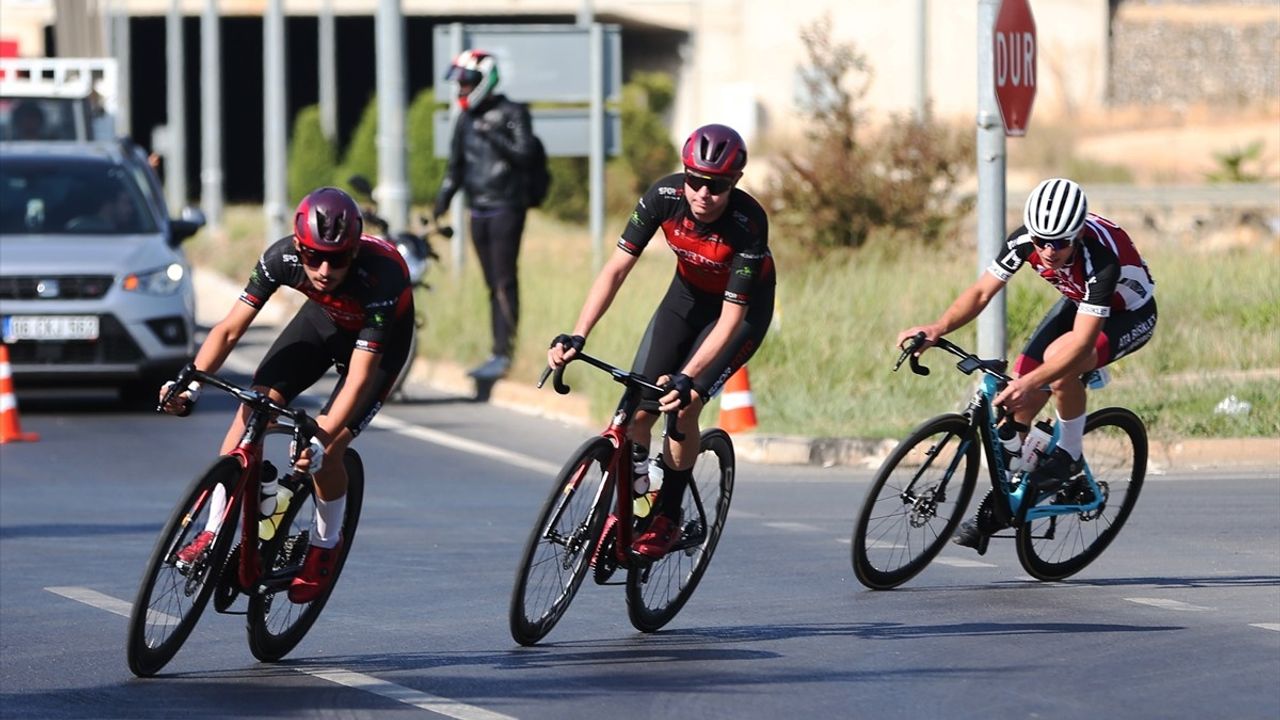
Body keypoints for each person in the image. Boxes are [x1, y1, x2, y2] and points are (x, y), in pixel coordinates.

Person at [159, 187, 415, 602]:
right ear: (299, 247)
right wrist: (189, 383)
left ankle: (325, 545)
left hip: (377, 346)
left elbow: (359, 376)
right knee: (254, 405)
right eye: (314, 256)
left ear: (354, 252)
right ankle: (211, 531)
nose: (325, 269)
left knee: (327, 452)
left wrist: (320, 438)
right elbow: (227, 329)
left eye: (338, 258)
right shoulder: (282, 257)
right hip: (324, 320)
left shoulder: (382, 274)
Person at [548, 123, 775, 559]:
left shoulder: (748, 224)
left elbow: (730, 319)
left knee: (683, 403)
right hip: (685, 299)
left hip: (739, 315)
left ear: (735, 184)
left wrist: (688, 377)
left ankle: (668, 516)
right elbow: (615, 270)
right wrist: (578, 333)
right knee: (635, 415)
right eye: (695, 180)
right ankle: (634, 502)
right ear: (683, 174)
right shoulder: (663, 197)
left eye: (718, 185)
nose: (704, 194)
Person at [896, 177, 1157, 552]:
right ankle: (1014, 494)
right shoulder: (1025, 240)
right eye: (1041, 241)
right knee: (1020, 386)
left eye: (1061, 242)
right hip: (1078, 301)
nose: (1049, 251)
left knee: (1057, 365)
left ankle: (1067, 454)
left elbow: (1082, 342)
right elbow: (982, 291)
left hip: (1127, 315)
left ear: (1078, 234)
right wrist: (937, 328)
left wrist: (1032, 382)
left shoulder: (1101, 259)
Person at [433, 49, 538, 381]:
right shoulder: (465, 120)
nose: (461, 89)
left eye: (466, 82)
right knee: (492, 283)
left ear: (484, 80)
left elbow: (526, 154)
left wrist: (494, 134)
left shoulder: (513, 112)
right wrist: (442, 201)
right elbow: (455, 168)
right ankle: (496, 351)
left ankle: (505, 354)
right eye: (459, 84)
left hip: (506, 207)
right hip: (477, 210)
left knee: (505, 280)